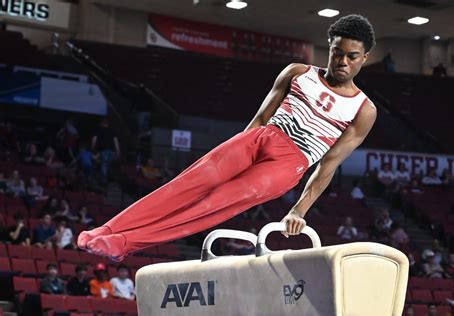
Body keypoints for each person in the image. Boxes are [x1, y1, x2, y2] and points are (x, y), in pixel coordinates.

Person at [78, 14, 378, 262]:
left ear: (364, 58)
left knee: (211, 205)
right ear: (329, 47)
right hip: (260, 136)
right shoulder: (297, 72)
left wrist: (298, 210)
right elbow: (260, 118)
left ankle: (124, 243)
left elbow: (329, 164)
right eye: (337, 52)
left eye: (351, 57)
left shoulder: (362, 110)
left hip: (290, 164)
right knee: (185, 185)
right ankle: (107, 229)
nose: (342, 61)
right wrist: (240, 149)